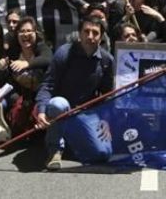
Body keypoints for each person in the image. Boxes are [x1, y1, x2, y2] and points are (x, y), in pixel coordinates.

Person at [35, 17, 114, 170]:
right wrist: (42, 110)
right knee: (57, 104)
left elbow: (108, 95)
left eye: (95, 33)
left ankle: (69, 139)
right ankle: (55, 149)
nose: (90, 36)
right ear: (79, 33)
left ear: (101, 37)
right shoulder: (64, 53)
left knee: (103, 153)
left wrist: (106, 120)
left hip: (87, 112)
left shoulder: (107, 60)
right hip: (62, 109)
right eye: (86, 31)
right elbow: (47, 85)